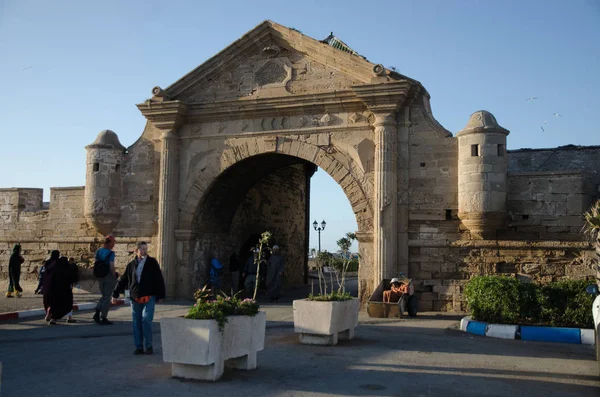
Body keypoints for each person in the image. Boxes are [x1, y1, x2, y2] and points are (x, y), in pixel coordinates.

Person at [112, 241, 165, 355]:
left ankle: (149, 345)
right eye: (142, 249)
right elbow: (123, 279)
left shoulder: (152, 262)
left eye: (146, 249)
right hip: (135, 296)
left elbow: (159, 279)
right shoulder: (131, 265)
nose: (144, 251)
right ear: (136, 251)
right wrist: (115, 293)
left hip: (149, 295)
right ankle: (139, 347)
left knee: (146, 320)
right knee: (137, 322)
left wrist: (161, 295)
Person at [43, 254, 76, 325]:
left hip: (54, 291)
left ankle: (50, 317)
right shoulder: (67, 269)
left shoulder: (53, 268)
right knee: (68, 303)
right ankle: (68, 318)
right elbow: (72, 278)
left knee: (54, 304)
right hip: (65, 292)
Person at [94, 235, 118, 325]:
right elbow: (111, 266)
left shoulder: (99, 251)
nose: (113, 245)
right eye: (113, 243)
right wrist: (114, 276)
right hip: (108, 276)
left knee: (104, 295)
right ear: (110, 243)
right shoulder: (111, 253)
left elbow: (96, 262)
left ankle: (96, 313)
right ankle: (103, 317)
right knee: (107, 297)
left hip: (100, 276)